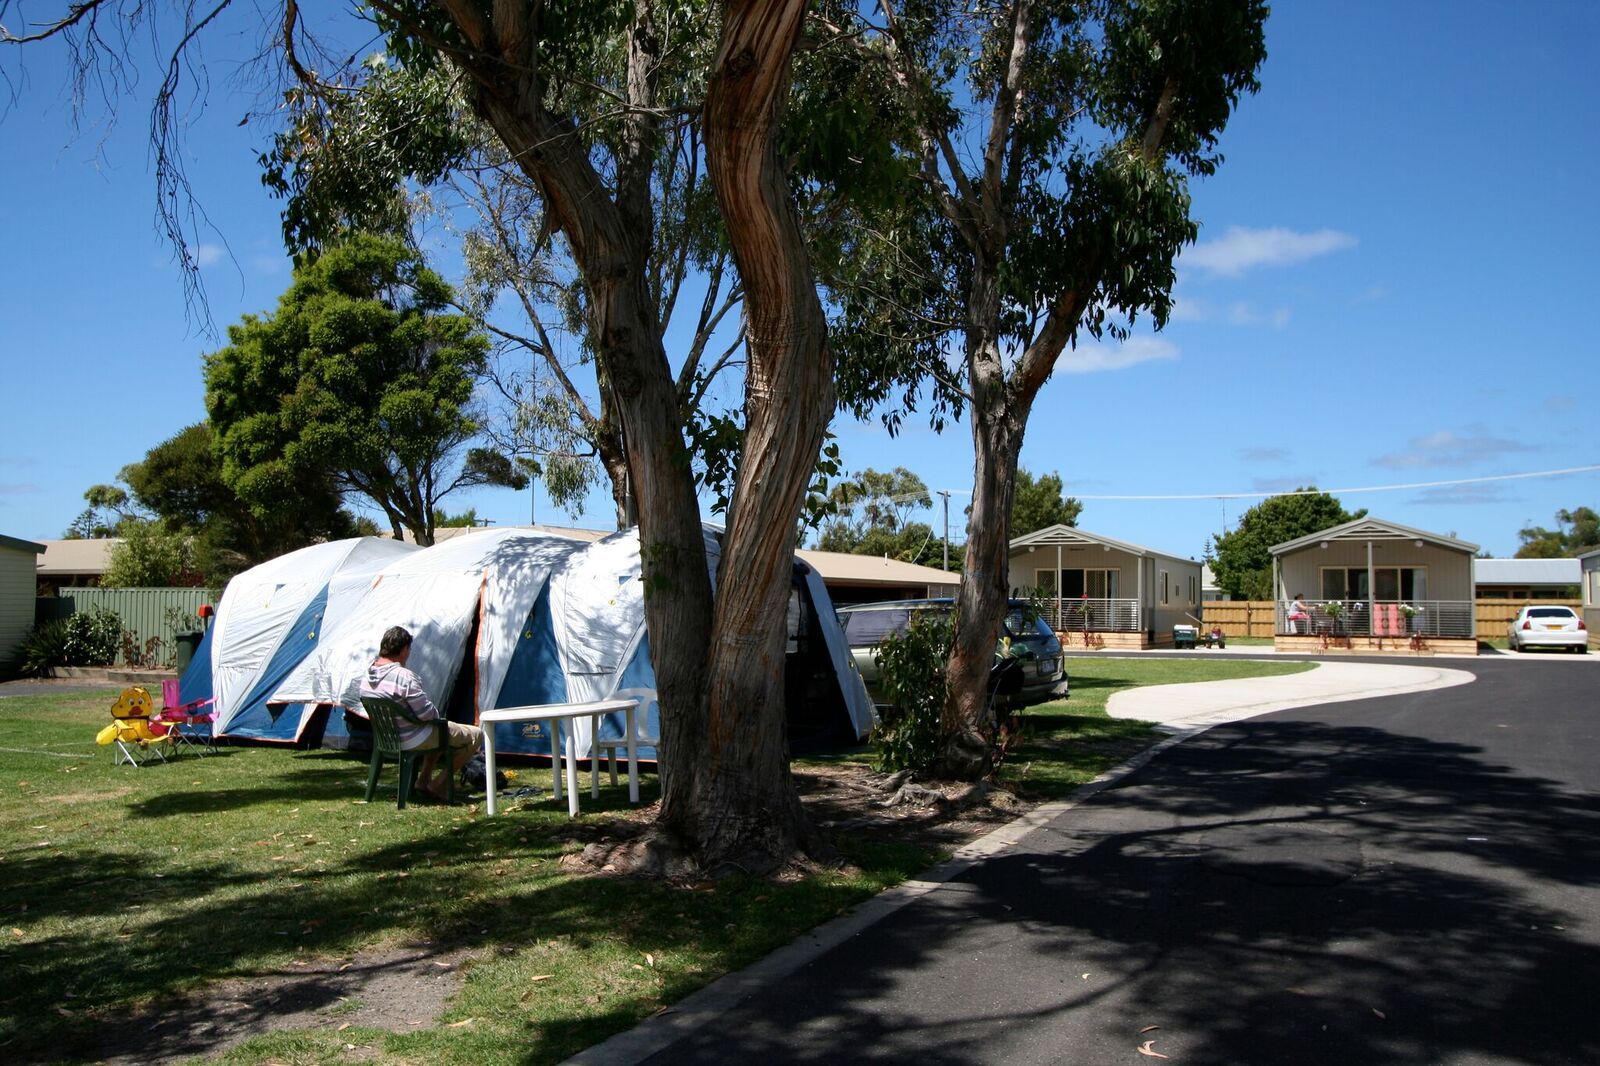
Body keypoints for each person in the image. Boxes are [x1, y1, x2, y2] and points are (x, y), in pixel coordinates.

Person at [359, 625, 482, 801]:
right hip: (412, 738)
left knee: (439, 730)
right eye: (408, 649)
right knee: (475, 735)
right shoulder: (404, 677)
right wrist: (434, 712)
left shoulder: (366, 679)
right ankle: (438, 785)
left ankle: (423, 781)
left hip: (387, 738)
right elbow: (427, 715)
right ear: (403, 650)